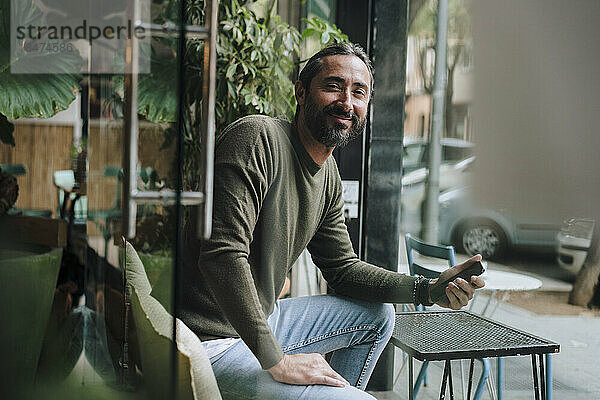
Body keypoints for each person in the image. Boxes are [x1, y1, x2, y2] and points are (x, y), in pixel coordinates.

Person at [180, 43, 485, 400]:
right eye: (333, 86)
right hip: (208, 342)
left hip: (262, 321)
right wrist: (276, 360)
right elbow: (220, 253)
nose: (346, 102)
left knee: (378, 315)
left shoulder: (328, 175)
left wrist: (428, 289)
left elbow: (343, 269)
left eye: (359, 92)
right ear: (301, 91)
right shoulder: (256, 138)